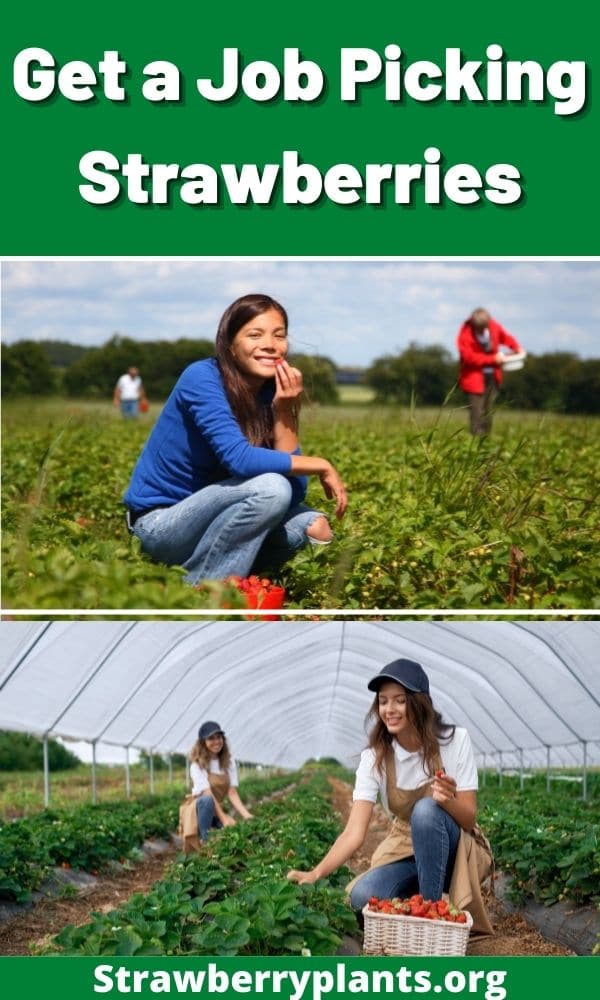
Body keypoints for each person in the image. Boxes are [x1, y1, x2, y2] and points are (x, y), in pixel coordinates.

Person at [123, 293, 347, 584]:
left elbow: (295, 493)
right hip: (161, 524)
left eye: (279, 335)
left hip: (223, 518)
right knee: (270, 489)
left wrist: (283, 410)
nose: (270, 344)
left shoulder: (271, 391)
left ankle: (227, 574)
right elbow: (239, 460)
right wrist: (321, 464)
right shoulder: (202, 377)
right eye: (255, 334)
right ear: (229, 345)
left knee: (315, 528)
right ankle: (207, 593)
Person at [287, 659, 494, 936]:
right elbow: (354, 833)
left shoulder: (454, 741)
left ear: (418, 703)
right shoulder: (375, 757)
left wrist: (447, 801)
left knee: (426, 811)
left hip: (451, 850)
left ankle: (430, 919)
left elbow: (468, 818)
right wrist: (315, 873)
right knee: (361, 897)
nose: (389, 710)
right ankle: (416, 899)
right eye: (383, 701)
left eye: (399, 700)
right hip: (405, 846)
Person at [457, 308, 524, 435]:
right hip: (474, 379)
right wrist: (493, 359)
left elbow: (505, 337)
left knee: (489, 410)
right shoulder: (465, 334)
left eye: (484, 327)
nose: (482, 331)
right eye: (479, 328)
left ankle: (486, 439)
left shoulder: (493, 325)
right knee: (476, 411)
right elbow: (469, 358)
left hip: (493, 376)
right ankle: (476, 440)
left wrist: (516, 347)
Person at [189, 720, 253, 842]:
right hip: (201, 813)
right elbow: (208, 795)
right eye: (211, 738)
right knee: (207, 801)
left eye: (219, 737)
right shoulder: (197, 765)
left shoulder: (228, 762)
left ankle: (214, 831)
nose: (216, 742)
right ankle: (204, 838)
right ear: (203, 742)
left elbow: (232, 793)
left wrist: (247, 815)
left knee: (234, 830)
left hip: (217, 811)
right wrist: (224, 819)